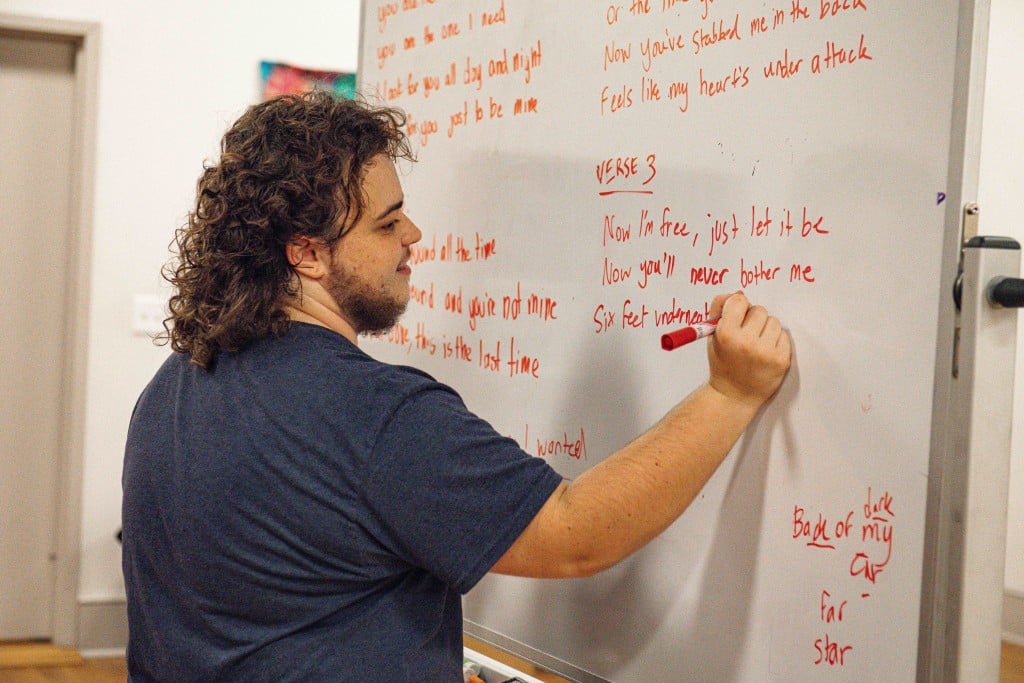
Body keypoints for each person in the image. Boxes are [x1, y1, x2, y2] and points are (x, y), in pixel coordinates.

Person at [121, 89, 791, 682]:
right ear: (308, 252)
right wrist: (729, 394)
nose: (412, 235)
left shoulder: (173, 383)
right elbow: (577, 533)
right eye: (386, 224)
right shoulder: (372, 417)